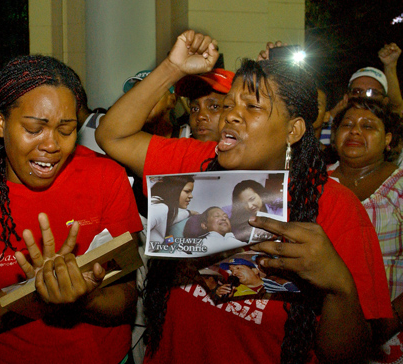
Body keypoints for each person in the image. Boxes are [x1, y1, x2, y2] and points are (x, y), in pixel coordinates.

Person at [96, 30, 392, 363]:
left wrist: (339, 287)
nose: (230, 116)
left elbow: (348, 355)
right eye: (229, 105)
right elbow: (112, 134)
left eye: (251, 107)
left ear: (293, 130)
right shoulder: (196, 163)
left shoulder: (336, 207)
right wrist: (172, 68)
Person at [0, 55, 143, 364]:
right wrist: (35, 293)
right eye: (34, 129)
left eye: (66, 131)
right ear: (0, 123)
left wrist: (82, 297)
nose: (51, 145)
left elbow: (126, 299)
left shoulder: (106, 177)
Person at [328, 99, 403, 363]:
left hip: (391, 334)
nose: (355, 131)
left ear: (388, 140)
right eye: (347, 124)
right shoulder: (315, 182)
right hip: (325, 332)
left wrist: (390, 320)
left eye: (368, 126)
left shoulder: (400, 186)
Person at [174, 68, 235, 142]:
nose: (200, 116)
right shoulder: (184, 150)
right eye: (194, 109)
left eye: (214, 107)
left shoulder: (249, 152)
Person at [148, 175, 196, 243]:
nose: (191, 196)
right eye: (187, 191)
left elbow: (171, 218)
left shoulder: (164, 207)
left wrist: (190, 212)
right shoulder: (160, 208)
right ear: (174, 190)